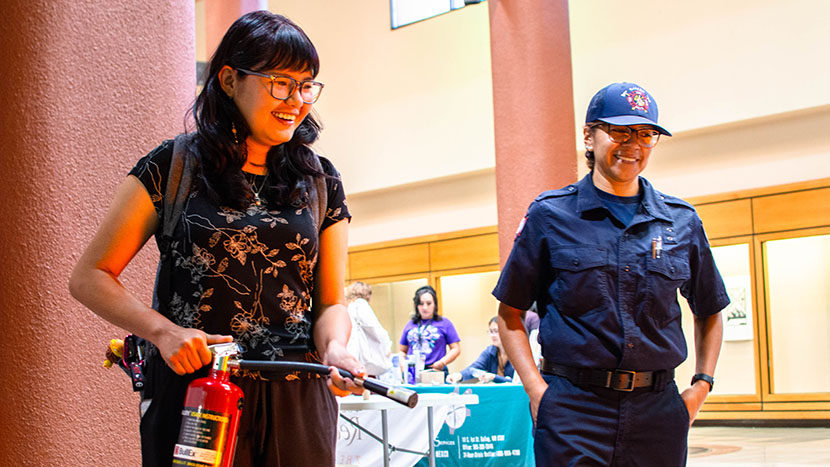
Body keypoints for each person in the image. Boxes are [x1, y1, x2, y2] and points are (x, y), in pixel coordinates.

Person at [69, 11, 363, 467]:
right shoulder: (174, 165)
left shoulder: (320, 178)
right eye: (280, 83)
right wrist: (163, 332)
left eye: (307, 85)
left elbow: (330, 304)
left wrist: (337, 349)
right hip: (197, 393)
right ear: (229, 80)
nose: (297, 100)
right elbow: (90, 276)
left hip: (298, 397)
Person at [493, 82, 728, 466]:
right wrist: (537, 391)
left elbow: (711, 308)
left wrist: (702, 385)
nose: (633, 144)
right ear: (589, 135)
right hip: (573, 409)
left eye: (646, 134)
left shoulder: (680, 221)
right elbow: (510, 313)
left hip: (658, 410)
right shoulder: (550, 215)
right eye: (619, 131)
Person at [398, 285, 461, 376]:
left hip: (436, 371)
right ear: (416, 306)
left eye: (428, 303)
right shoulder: (410, 324)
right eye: (421, 304)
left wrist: (442, 362)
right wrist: (403, 364)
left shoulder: (445, 323)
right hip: (413, 372)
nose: (424, 307)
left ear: (434, 304)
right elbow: (402, 351)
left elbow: (456, 348)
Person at [345, 281, 393, 377]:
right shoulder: (361, 304)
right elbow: (374, 328)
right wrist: (386, 347)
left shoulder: (348, 307)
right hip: (364, 360)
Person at [447, 316, 514, 384]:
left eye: (496, 331)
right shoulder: (490, 351)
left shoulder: (518, 354)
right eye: (491, 331)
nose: (493, 335)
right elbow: (473, 369)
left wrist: (494, 377)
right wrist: (458, 375)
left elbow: (518, 382)